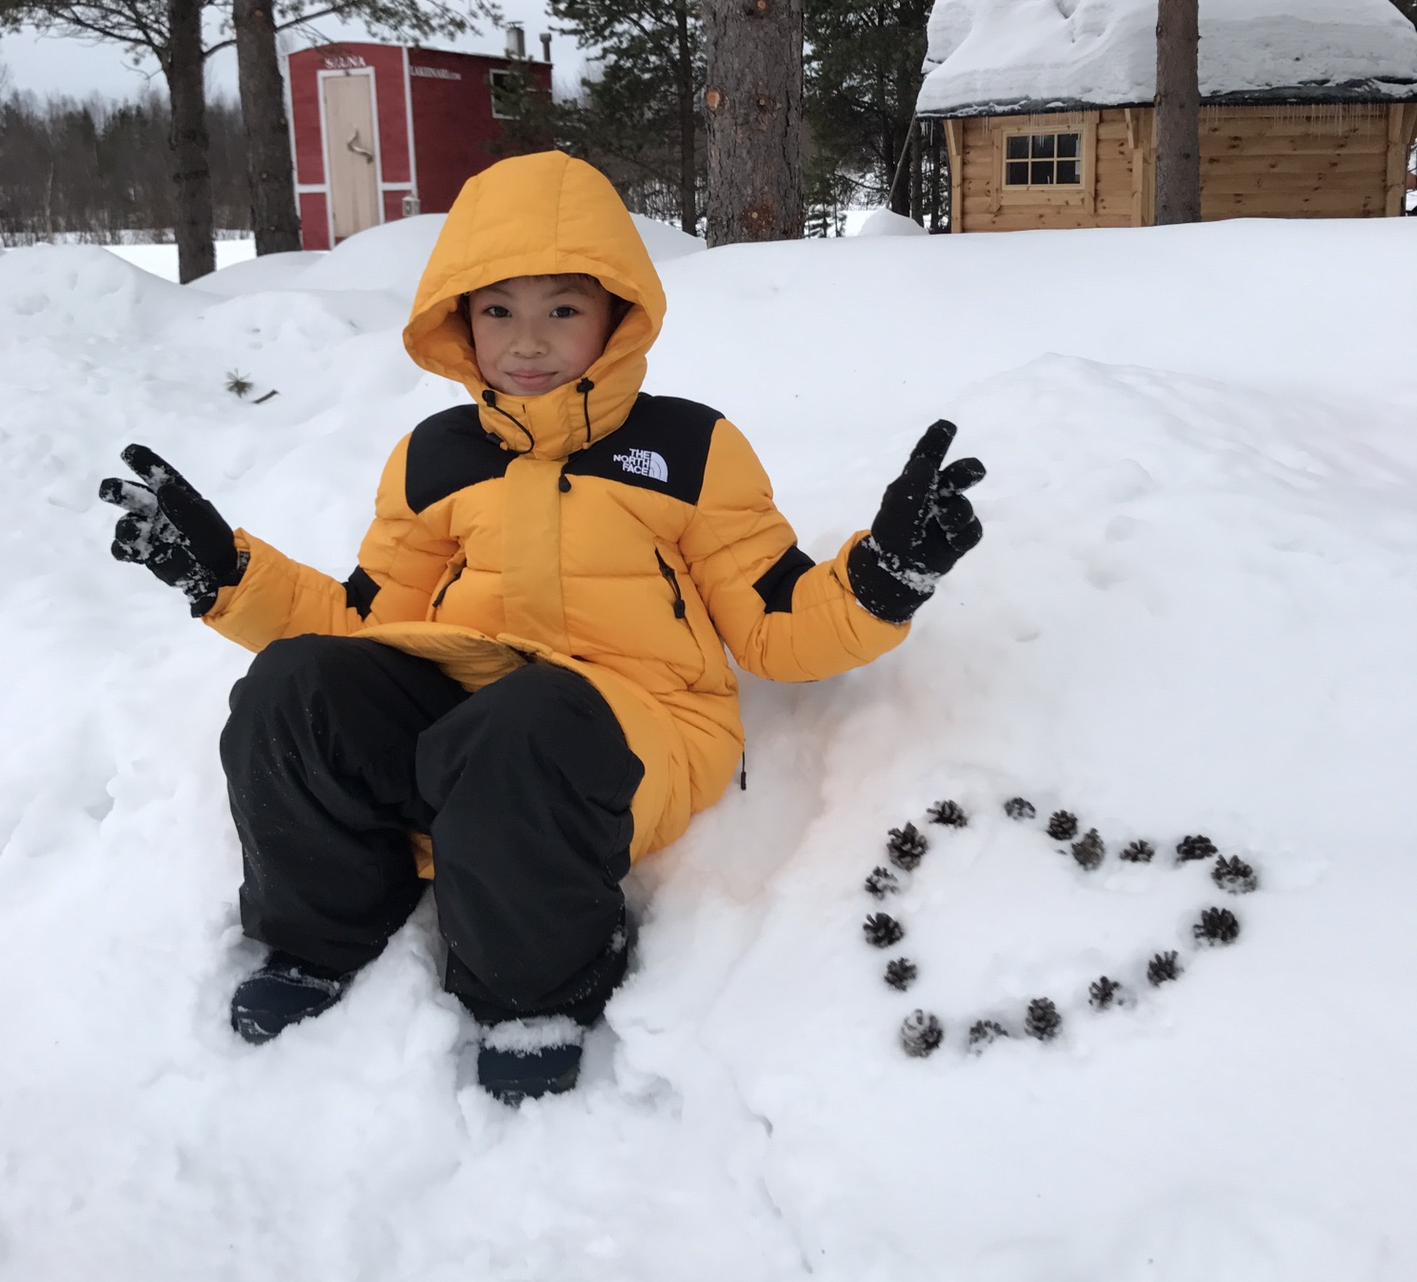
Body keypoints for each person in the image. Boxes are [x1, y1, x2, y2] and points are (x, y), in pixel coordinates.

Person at [99, 152, 985, 1102]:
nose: (527, 342)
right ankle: (322, 930)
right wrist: (227, 574)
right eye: (497, 311)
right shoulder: (433, 457)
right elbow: (364, 622)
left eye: (561, 309)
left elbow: (778, 626)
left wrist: (885, 576)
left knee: (527, 724)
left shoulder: (690, 448)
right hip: (471, 703)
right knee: (292, 687)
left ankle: (537, 983)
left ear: (616, 315)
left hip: (631, 729)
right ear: (458, 323)